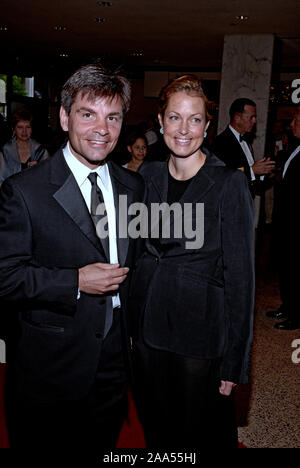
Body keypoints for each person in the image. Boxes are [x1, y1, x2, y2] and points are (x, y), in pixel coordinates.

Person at [0, 62, 145, 449]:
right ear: (65, 117)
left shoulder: (134, 185)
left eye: (112, 117)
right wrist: (76, 281)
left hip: (115, 358)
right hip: (51, 364)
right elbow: (5, 278)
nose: (102, 128)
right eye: (88, 114)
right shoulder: (24, 191)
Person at [130, 75, 255, 448]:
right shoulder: (146, 176)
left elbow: (242, 280)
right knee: (157, 431)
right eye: (174, 117)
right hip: (148, 329)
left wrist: (236, 362)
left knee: (196, 436)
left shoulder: (228, 184)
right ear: (160, 121)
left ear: (207, 124)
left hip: (199, 336)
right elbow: (135, 253)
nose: (184, 129)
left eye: (195, 119)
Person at [266, 106, 300, 330]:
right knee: (287, 267)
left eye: (297, 121)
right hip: (287, 221)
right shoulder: (294, 149)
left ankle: (296, 315)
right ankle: (287, 306)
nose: (292, 124)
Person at [211, 98, 275, 197]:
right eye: (251, 117)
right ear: (237, 118)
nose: (255, 121)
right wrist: (252, 170)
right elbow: (221, 175)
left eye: (255, 117)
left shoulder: (247, 141)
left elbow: (249, 175)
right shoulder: (220, 142)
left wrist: (263, 172)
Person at [0, 108, 49, 185]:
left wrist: (39, 171)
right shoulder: (6, 151)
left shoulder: (41, 152)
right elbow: (1, 180)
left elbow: (48, 179)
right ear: (13, 129)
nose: (24, 131)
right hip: (11, 194)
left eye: (28, 127)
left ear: (32, 129)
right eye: (20, 127)